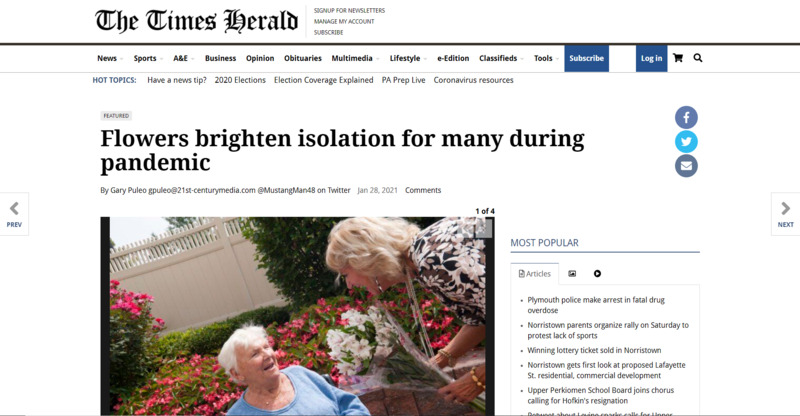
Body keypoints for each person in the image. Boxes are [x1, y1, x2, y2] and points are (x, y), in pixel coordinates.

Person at [326, 217, 487, 404]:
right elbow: (482, 320)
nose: (350, 285)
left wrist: (478, 379)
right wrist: (438, 361)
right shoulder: (423, 258)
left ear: (364, 260)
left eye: (346, 274)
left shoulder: (433, 260)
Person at [218, 325, 371, 415]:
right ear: (237, 373)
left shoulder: (300, 375)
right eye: (255, 354)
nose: (267, 355)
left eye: (266, 347)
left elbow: (349, 405)